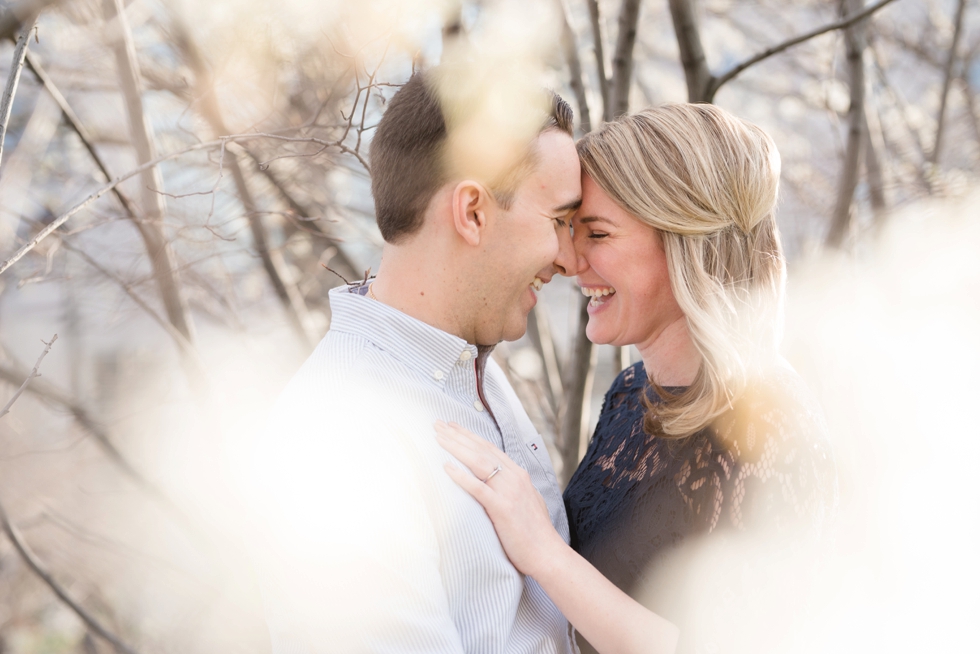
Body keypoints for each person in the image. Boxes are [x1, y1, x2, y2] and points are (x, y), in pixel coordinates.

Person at [436, 103, 837, 654]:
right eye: (571, 230)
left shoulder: (773, 430)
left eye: (597, 234)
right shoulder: (630, 395)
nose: (570, 261)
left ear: (684, 245)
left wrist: (543, 551)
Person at [248, 69, 583, 652]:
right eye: (558, 221)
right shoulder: (338, 432)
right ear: (473, 211)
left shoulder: (468, 366)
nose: (568, 259)